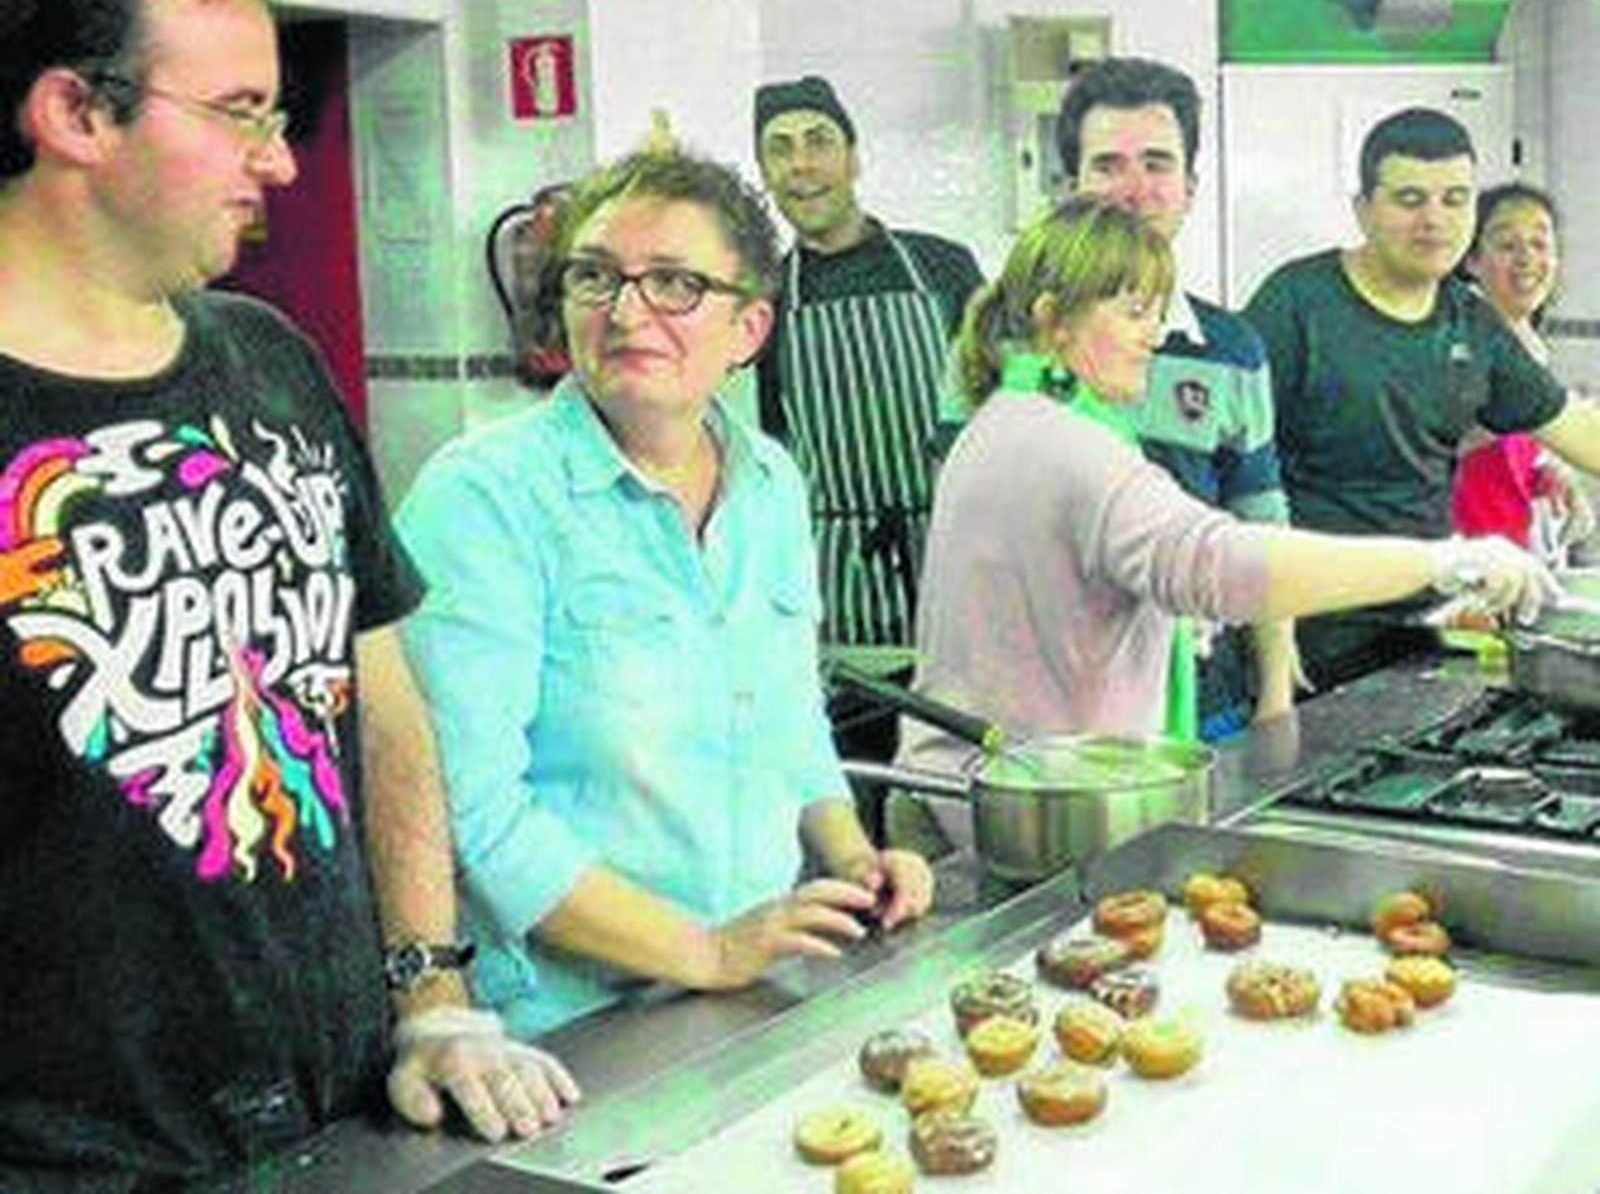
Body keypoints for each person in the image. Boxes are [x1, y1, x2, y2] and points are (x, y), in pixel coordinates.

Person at [0, 0, 577, 1191]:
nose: (282, 161)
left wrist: (430, 989)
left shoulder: (270, 360)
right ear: (74, 114)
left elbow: (378, 703)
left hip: (346, 1121)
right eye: (241, 113)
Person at [396, 149, 935, 1039]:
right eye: (596, 276)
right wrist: (702, 949)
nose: (626, 310)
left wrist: (853, 859)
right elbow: (468, 806)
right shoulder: (483, 497)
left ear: (748, 329)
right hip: (572, 1024)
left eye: (675, 284)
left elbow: (790, 719)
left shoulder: (770, 483)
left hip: (758, 990)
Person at [890, 199, 1553, 857]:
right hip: (1021, 814)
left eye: (1157, 309)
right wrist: (1446, 563)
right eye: (1132, 311)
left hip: (969, 792)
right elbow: (1226, 567)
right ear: (1053, 321)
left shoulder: (1010, 415)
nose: (1155, 334)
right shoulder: (1071, 447)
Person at [1245, 108, 1600, 687]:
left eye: (1455, 199)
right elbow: (1235, 478)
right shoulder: (1297, 303)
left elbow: (1573, 426)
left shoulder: (1472, 323)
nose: (1434, 220)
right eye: (1410, 199)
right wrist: (1267, 631)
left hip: (1426, 627)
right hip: (1307, 628)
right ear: (1363, 209)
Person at [1055, 56, 1297, 740]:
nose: (1135, 189)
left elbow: (1260, 526)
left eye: (1157, 164)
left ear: (1190, 186)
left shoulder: (1232, 348)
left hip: (1205, 697)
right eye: (1108, 165)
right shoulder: (1006, 339)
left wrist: (1275, 692)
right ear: (1067, 186)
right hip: (1055, 707)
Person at [753, 75, 984, 650]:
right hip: (834, 572)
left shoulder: (944, 268)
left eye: (819, 141)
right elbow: (765, 448)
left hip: (956, 550)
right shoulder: (763, 299)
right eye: (779, 149)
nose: (801, 164)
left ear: (854, 158)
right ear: (765, 176)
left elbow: (1000, 406)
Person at [1452, 183, 1594, 558]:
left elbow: (1515, 451)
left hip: (1513, 549)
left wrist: (1551, 474)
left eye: (1540, 243)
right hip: (1465, 552)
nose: (1527, 257)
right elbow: (1432, 448)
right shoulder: (1461, 341)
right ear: (1472, 260)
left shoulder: (1530, 343)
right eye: (1507, 245)